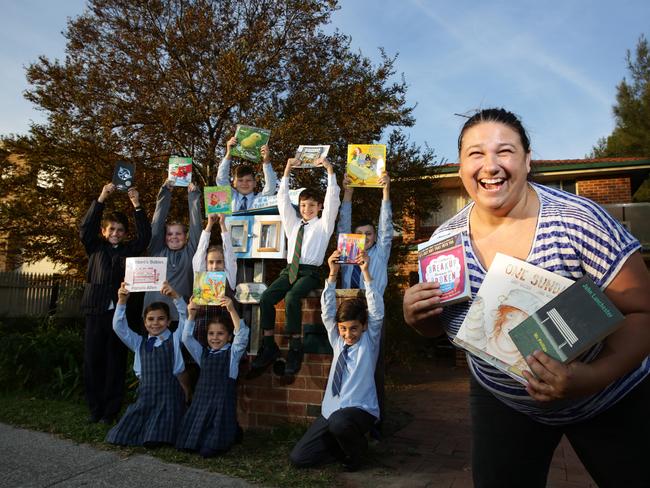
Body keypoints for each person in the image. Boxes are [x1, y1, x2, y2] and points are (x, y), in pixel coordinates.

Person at [402, 107, 650, 488]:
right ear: (460, 166)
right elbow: (440, 327)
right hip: (503, 403)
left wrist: (589, 378)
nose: (491, 165)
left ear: (527, 160)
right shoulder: (442, 245)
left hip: (608, 397)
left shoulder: (578, 221)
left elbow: (641, 310)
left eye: (505, 151)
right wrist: (420, 319)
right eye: (476, 153)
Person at [290, 250, 383, 471]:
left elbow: (377, 312)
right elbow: (327, 311)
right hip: (331, 411)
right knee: (299, 458)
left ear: (364, 326)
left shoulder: (368, 343)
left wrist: (366, 273)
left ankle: (358, 452)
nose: (348, 334)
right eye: (343, 328)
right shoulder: (338, 341)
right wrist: (332, 274)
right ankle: (340, 447)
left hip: (360, 411)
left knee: (340, 423)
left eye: (354, 329)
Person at [254, 157, 341, 376]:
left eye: (312, 205)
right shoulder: (293, 224)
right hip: (289, 270)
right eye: (303, 205)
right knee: (266, 298)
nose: (307, 209)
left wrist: (330, 170)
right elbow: (282, 201)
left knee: (292, 297)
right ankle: (269, 344)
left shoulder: (323, 225)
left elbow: (333, 201)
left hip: (310, 272)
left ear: (319, 207)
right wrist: (287, 168)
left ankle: (295, 345)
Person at [79, 182, 151, 424]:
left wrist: (137, 205)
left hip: (122, 314)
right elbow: (85, 228)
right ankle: (94, 409)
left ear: (124, 232)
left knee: (115, 362)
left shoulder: (130, 250)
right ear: (104, 231)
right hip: (96, 311)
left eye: (120, 230)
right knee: (93, 360)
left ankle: (110, 411)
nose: (115, 233)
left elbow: (146, 236)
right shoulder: (95, 247)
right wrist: (101, 198)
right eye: (111, 229)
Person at [106, 281, 187, 447]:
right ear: (144, 322)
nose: (155, 323)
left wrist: (175, 296)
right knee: (120, 435)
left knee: (156, 439)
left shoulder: (176, 339)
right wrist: (122, 301)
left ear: (169, 321)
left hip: (169, 397)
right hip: (146, 395)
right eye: (150, 319)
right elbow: (118, 326)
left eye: (161, 319)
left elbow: (186, 317)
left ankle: (157, 436)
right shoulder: (138, 343)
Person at [176, 296, 249, 457]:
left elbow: (242, 336)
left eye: (220, 334)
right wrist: (192, 315)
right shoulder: (203, 353)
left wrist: (231, 309)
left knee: (208, 450)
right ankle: (235, 432)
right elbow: (186, 338)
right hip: (202, 403)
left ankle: (231, 434)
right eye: (211, 334)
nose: (215, 338)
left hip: (221, 406)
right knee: (186, 446)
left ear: (229, 336)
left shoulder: (232, 354)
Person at [143, 179, 202, 322]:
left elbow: (196, 226)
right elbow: (157, 224)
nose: (174, 237)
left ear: (185, 236)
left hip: (180, 318)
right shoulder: (157, 251)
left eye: (178, 234)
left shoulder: (191, 252)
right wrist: (165, 192)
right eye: (170, 234)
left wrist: (193, 196)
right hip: (153, 319)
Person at [337, 173, 393, 294]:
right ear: (353, 235)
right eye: (359, 233)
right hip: (347, 305)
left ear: (375, 236)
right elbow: (343, 225)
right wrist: (348, 193)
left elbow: (386, 226)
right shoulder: (348, 251)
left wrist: (385, 191)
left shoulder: (380, 253)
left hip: (372, 307)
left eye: (368, 233)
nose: (364, 237)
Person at [216, 136, 278, 212]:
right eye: (240, 180)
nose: (244, 183)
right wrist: (229, 153)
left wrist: (266, 160)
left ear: (255, 183)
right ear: (234, 183)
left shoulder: (260, 200)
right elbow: (221, 179)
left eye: (248, 180)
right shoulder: (229, 197)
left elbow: (270, 187)